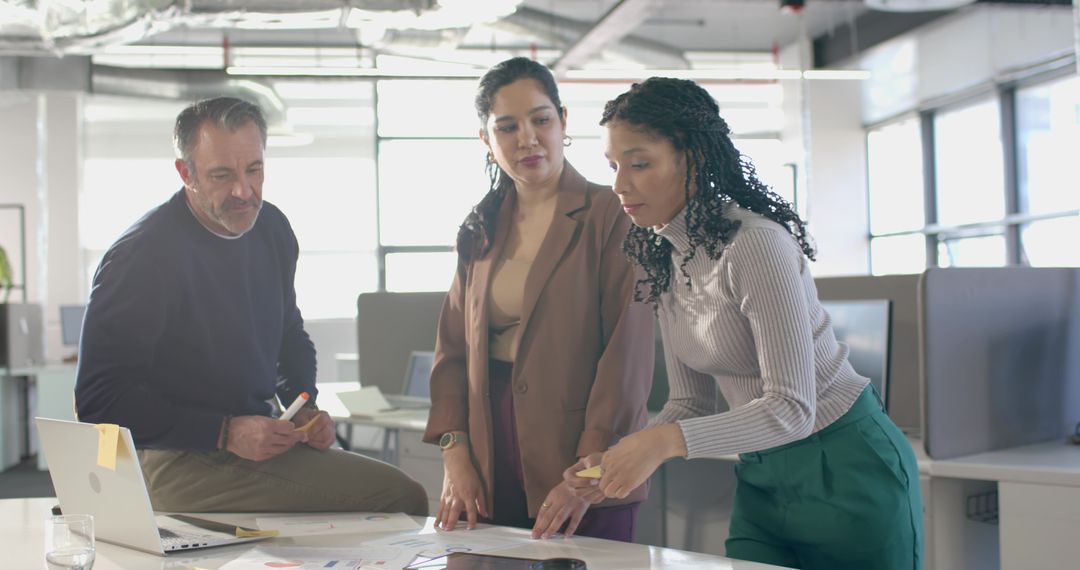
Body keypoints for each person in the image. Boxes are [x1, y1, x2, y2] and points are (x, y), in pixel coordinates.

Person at [566, 77, 923, 569]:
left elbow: (793, 407)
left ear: (692, 159)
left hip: (845, 463)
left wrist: (662, 442)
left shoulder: (755, 243)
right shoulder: (665, 256)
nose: (621, 185)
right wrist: (619, 457)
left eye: (640, 163)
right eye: (614, 167)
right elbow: (690, 404)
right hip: (762, 471)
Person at [75, 96, 427, 516]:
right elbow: (99, 401)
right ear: (186, 173)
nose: (243, 191)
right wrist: (224, 433)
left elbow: (288, 336)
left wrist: (304, 405)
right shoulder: (143, 257)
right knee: (401, 499)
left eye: (254, 170)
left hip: (253, 441)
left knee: (394, 492)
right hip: (171, 456)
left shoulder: (272, 229)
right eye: (222, 175)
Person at [422, 57, 655, 542]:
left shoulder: (611, 214)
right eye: (507, 127)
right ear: (487, 141)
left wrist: (588, 473)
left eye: (540, 120)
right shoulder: (481, 225)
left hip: (583, 457)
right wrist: (454, 452)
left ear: (563, 122)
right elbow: (451, 351)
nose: (527, 138)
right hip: (490, 460)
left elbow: (625, 357)